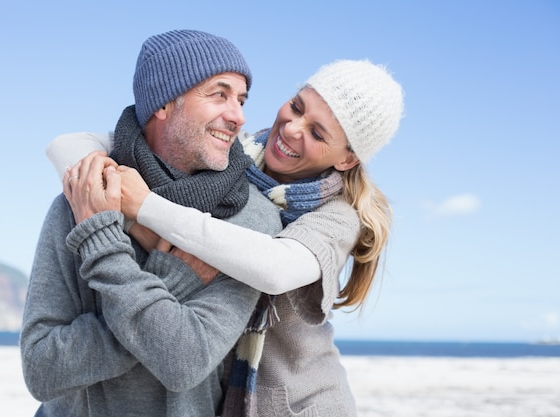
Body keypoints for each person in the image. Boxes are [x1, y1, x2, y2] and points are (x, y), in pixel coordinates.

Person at [48, 59, 404, 416]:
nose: (293, 128)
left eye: (317, 133)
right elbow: (69, 145)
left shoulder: (337, 217)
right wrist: (101, 177)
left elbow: (272, 268)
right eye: (296, 107)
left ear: (347, 160)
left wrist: (145, 209)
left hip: (296, 405)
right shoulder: (234, 160)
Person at [20, 29, 283, 417]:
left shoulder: (251, 221)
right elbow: (42, 370)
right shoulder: (83, 197)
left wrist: (103, 246)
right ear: (163, 103)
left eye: (241, 100)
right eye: (219, 94)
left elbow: (183, 361)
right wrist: (173, 281)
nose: (238, 116)